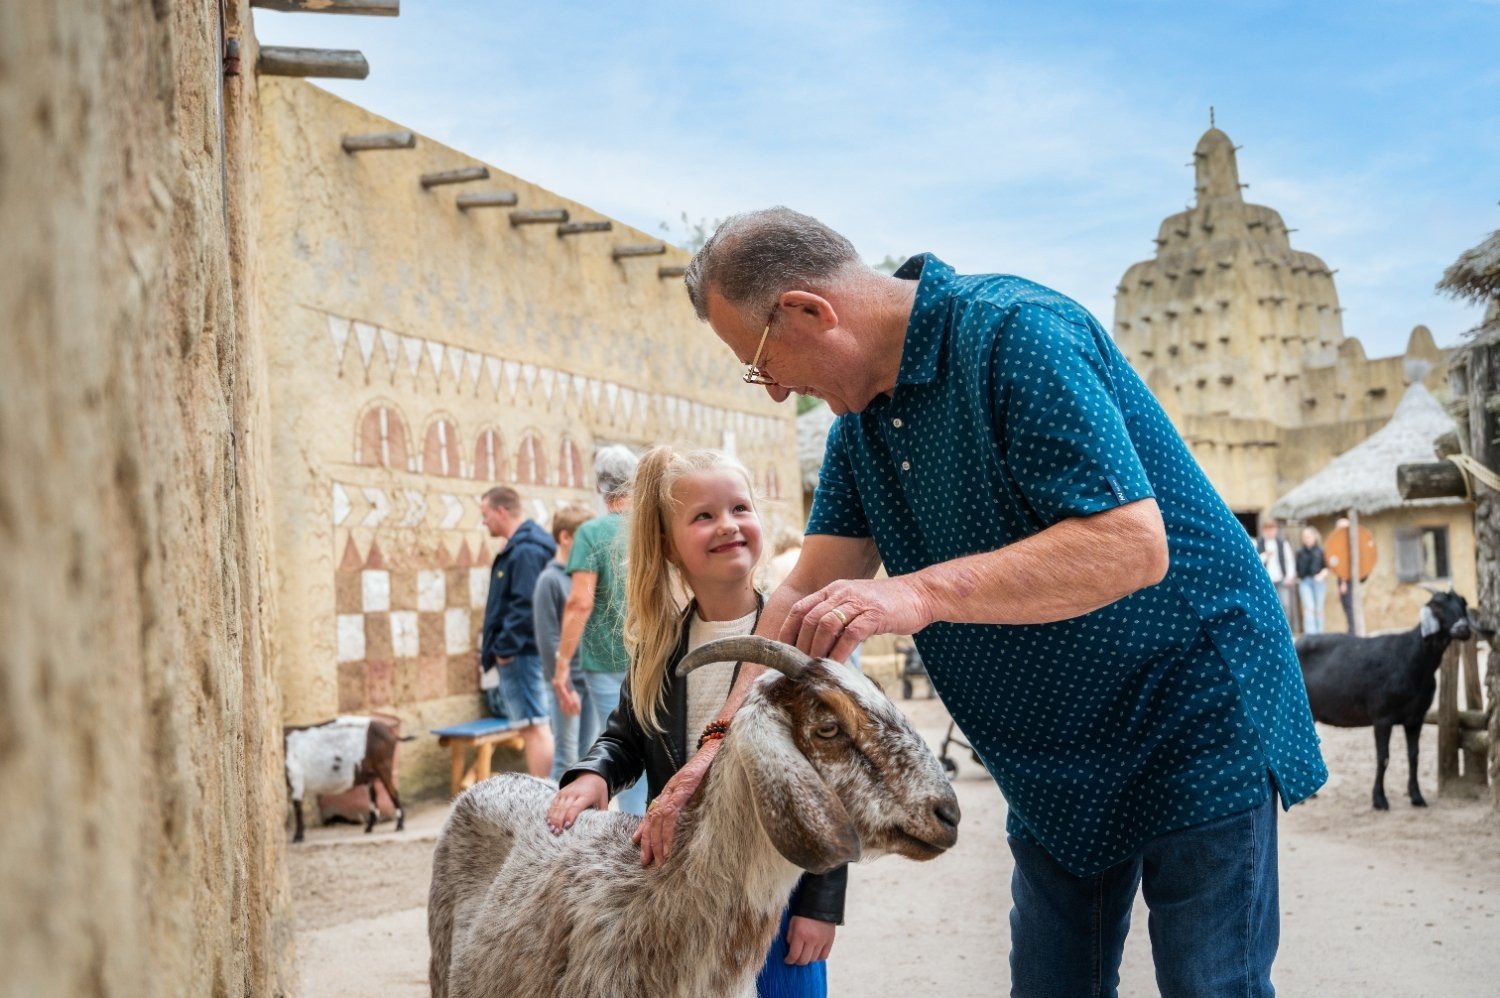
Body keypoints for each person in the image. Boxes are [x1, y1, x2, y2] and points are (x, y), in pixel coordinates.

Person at [640, 207, 1326, 997]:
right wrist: (712, 748)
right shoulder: (857, 434)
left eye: (762, 363)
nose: (775, 393)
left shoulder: (1013, 335)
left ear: (808, 312)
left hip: (1186, 711)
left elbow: (1131, 544)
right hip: (1052, 749)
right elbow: (800, 589)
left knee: (1212, 984)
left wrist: (921, 591)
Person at [547, 446, 843, 996]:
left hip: (777, 900)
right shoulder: (658, 647)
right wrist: (595, 774)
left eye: (739, 508)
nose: (727, 525)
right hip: (685, 892)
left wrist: (821, 905)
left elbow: (826, 788)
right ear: (667, 545)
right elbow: (626, 736)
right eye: (703, 516)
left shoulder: (797, 648)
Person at [552, 445, 647, 815]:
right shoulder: (650, 526)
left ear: (599, 485)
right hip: (653, 652)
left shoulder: (591, 533)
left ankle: (638, 842)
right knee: (653, 740)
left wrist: (562, 668)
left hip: (606, 658)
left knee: (624, 747)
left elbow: (579, 603)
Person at [478, 486, 555, 778]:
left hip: (522, 652)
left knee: (535, 727)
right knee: (532, 726)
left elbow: (525, 604)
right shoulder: (523, 545)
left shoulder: (526, 549)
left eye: (485, 515)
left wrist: (506, 649)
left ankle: (544, 797)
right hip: (523, 651)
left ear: (501, 511)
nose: (484, 522)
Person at [533, 503, 597, 782]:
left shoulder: (584, 578)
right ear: (565, 538)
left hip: (591, 679)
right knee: (567, 757)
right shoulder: (549, 580)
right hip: (566, 683)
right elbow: (548, 638)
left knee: (589, 757)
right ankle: (555, 823)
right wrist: (563, 686)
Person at [1255, 519, 1299, 632]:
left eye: (1272, 529)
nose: (1270, 532)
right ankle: (1272, 630)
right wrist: (1265, 555)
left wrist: (1290, 575)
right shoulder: (1258, 543)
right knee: (1268, 606)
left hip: (1281, 579)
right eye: (1267, 529)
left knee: (1285, 605)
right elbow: (1255, 562)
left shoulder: (1282, 543)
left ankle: (1286, 630)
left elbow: (1289, 560)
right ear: (1263, 530)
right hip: (1266, 581)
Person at [1295, 525, 1329, 636]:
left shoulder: (1321, 551)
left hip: (1319, 582)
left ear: (1314, 537)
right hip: (1305, 582)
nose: (1306, 539)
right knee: (1309, 609)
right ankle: (1311, 635)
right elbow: (1296, 568)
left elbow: (1327, 567)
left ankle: (1319, 635)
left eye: (1308, 536)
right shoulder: (1300, 552)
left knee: (1318, 609)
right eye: (1304, 537)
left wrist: (1321, 575)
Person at [1332, 516, 1357, 634]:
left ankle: (1353, 630)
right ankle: (1352, 628)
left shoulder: (1350, 544)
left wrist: (1343, 582)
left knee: (1350, 606)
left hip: (1349, 580)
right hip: (1343, 579)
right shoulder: (1339, 544)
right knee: (1347, 606)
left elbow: (1346, 565)